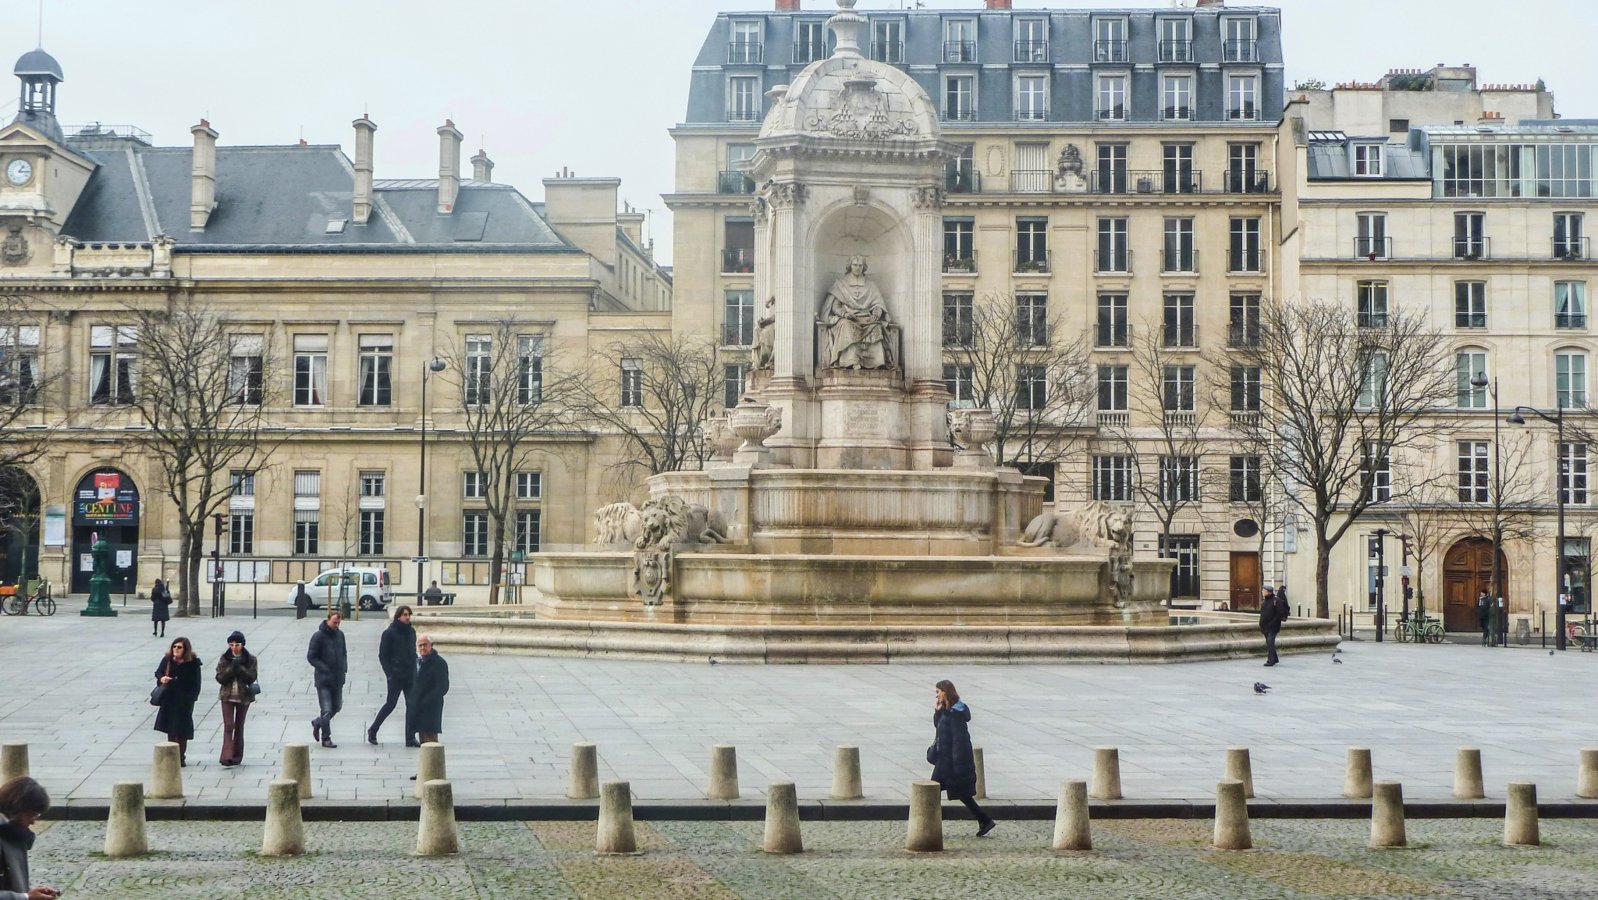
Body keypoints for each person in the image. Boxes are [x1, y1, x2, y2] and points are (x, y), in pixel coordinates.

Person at [928, 679, 995, 837]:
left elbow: (959, 741)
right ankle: (985, 820)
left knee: (933, 792)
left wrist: (958, 767)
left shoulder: (956, 713)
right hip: (944, 760)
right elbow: (939, 727)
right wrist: (938, 711)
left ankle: (928, 826)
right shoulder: (947, 710)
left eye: (938, 692)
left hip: (950, 763)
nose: (936, 696)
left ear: (945, 692)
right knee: (955, 794)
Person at [820, 255, 894, 370]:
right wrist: (844, 314)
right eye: (855, 265)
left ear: (864, 267)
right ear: (850, 266)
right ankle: (851, 361)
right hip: (849, 318)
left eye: (860, 265)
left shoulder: (871, 285)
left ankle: (876, 362)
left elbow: (878, 304)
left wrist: (876, 314)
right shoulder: (841, 284)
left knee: (876, 326)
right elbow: (835, 306)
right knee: (846, 326)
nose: (857, 268)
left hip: (866, 318)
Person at [0, 775, 60, 900]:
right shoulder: (10, 835)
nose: (33, 822)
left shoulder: (15, 834)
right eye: (31, 815)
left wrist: (33, 894)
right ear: (15, 810)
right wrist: (25, 896)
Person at [369, 606, 419, 747]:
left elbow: (412, 651)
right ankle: (373, 730)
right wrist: (389, 674)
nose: (408, 617)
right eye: (405, 615)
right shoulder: (389, 633)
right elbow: (383, 656)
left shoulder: (411, 632)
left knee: (412, 705)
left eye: (409, 614)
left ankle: (410, 737)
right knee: (390, 704)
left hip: (410, 675)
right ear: (398, 616)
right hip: (396, 676)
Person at [152, 637, 202, 767]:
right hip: (169, 698)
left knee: (182, 730)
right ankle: (171, 756)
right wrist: (162, 678)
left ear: (185, 649)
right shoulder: (168, 659)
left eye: (179, 647)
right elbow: (158, 672)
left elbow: (196, 683)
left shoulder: (193, 663)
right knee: (170, 728)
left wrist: (191, 698)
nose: (176, 649)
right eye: (174, 646)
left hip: (184, 700)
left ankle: (181, 757)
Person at [215, 630, 258, 767]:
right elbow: (220, 678)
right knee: (228, 725)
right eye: (231, 644)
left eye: (237, 644)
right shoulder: (224, 658)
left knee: (239, 726)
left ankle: (237, 756)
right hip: (227, 695)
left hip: (243, 696)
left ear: (243, 645)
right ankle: (226, 756)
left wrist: (239, 668)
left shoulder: (250, 659)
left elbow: (252, 677)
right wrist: (230, 669)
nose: (234, 647)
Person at [306, 611, 348, 749]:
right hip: (323, 680)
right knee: (327, 709)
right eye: (334, 622)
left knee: (337, 707)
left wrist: (344, 669)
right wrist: (324, 668)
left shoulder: (340, 635)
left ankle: (318, 722)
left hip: (337, 678)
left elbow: (343, 653)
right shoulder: (318, 636)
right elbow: (311, 656)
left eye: (338, 622)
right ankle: (326, 738)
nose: (336, 625)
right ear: (328, 620)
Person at [410, 634, 450, 745]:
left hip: (432, 706)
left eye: (425, 645)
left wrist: (428, 699)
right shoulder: (418, 661)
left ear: (431, 646)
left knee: (431, 738)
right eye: (420, 645)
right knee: (422, 737)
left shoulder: (439, 663)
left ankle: (433, 761)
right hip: (419, 706)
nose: (422, 648)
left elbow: (443, 686)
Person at [1259, 585, 1285, 666]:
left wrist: (1272, 623)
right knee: (1269, 643)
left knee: (1270, 643)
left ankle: (1270, 660)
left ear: (1268, 592)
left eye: (1264, 591)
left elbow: (1280, 613)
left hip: (1273, 627)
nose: (1262, 592)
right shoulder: (1265, 601)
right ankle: (1275, 658)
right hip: (1265, 626)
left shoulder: (1276, 600)